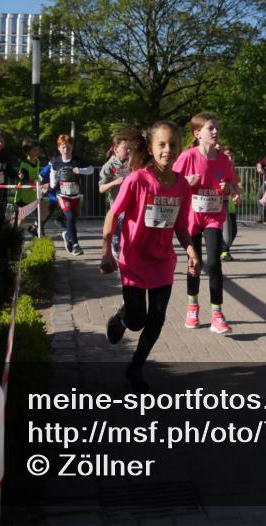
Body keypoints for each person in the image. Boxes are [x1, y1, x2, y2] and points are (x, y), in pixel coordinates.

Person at [100, 120, 200, 392]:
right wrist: (106, 252)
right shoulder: (137, 180)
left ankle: (135, 368)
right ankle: (122, 318)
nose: (168, 150)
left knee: (156, 318)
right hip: (133, 258)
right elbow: (113, 214)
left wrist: (191, 251)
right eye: (162, 144)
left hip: (162, 261)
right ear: (152, 148)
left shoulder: (182, 186)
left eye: (173, 145)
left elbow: (180, 225)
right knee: (136, 320)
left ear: (180, 148)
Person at [173, 113, 241, 335]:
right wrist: (185, 182)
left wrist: (229, 188)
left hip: (213, 215)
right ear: (197, 134)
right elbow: (170, 183)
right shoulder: (188, 157)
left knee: (214, 263)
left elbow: (232, 184)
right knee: (195, 263)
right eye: (210, 128)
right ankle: (192, 307)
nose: (215, 132)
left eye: (216, 128)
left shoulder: (224, 160)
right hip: (191, 217)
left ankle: (217, 314)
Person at [42, 134, 94, 256]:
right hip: (62, 195)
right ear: (59, 148)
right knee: (69, 216)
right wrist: (51, 186)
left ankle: (67, 235)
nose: (66, 150)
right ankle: (76, 245)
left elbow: (91, 169)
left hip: (75, 195)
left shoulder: (76, 160)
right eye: (63, 147)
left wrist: (80, 170)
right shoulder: (56, 161)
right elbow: (53, 175)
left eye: (69, 148)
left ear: (72, 147)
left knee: (72, 221)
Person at [99, 128, 140, 260]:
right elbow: (101, 188)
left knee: (132, 227)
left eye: (129, 149)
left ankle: (128, 250)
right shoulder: (109, 166)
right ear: (116, 149)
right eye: (125, 148)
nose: (128, 151)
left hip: (133, 202)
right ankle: (116, 249)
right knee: (120, 226)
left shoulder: (132, 163)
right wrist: (114, 182)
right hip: (117, 203)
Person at [13, 137, 47, 236]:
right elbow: (24, 183)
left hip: (34, 195)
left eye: (38, 149)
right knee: (21, 220)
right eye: (35, 150)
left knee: (45, 212)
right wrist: (37, 184)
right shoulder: (24, 165)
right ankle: (12, 236)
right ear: (28, 152)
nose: (38, 151)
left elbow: (36, 177)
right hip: (23, 197)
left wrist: (40, 183)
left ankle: (34, 228)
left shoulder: (37, 161)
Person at [220, 146, 239, 261]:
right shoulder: (220, 168)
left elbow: (237, 185)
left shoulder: (233, 169)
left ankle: (224, 249)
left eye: (232, 156)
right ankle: (224, 251)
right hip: (221, 203)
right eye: (227, 155)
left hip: (231, 204)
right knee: (225, 230)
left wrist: (238, 194)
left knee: (234, 229)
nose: (230, 157)